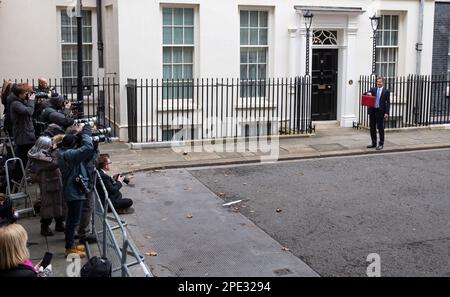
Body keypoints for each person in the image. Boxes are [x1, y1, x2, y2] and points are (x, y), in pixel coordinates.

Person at [57, 125, 94, 258]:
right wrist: (86, 135)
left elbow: (87, 155)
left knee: (73, 220)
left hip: (74, 190)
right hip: (73, 192)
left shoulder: (65, 152)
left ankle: (71, 245)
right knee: (73, 221)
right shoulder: (68, 155)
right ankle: (69, 248)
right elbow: (87, 149)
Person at [28, 136, 66, 237]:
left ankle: (59, 223)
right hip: (48, 184)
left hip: (53, 181)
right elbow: (55, 163)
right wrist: (56, 151)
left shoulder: (40, 153)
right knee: (48, 206)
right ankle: (44, 227)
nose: (51, 146)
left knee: (59, 204)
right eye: (49, 144)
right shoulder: (41, 157)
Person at [10, 83, 36, 174]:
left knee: (26, 159)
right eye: (25, 93)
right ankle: (16, 181)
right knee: (22, 160)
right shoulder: (15, 104)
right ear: (20, 94)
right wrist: (31, 101)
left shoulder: (22, 101)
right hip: (23, 136)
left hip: (27, 135)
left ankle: (21, 178)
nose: (26, 95)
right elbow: (29, 111)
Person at [365, 77, 390, 151]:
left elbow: (388, 103)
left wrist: (386, 113)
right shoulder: (373, 89)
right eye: (377, 82)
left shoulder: (386, 91)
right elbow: (365, 94)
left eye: (380, 82)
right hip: (372, 111)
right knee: (372, 128)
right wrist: (367, 93)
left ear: (383, 83)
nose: (378, 83)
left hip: (380, 112)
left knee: (380, 128)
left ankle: (381, 144)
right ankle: (373, 143)